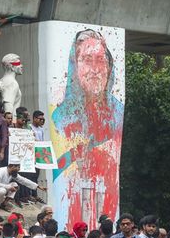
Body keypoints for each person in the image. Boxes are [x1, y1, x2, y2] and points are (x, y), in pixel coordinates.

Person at [50, 29, 124, 227]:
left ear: (109, 67)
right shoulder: (59, 115)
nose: (94, 69)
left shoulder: (118, 112)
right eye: (87, 59)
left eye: (100, 60)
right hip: (71, 197)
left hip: (105, 193)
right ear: (74, 65)